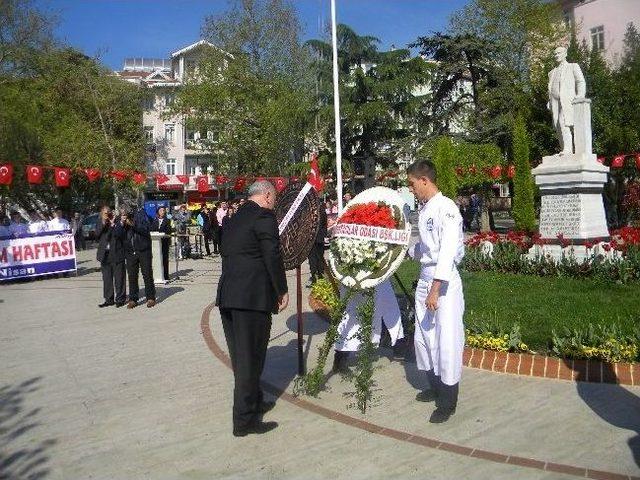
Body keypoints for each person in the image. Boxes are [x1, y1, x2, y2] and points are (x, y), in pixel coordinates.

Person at [216, 180, 289, 437]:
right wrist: (281, 289)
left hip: (229, 297)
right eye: (274, 198)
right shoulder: (264, 217)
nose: (274, 202)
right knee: (250, 359)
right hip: (251, 299)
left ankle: (255, 402)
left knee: (242, 357)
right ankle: (244, 422)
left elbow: (227, 251)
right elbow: (272, 255)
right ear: (267, 196)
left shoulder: (233, 218)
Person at [406, 160, 465, 424]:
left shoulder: (447, 208)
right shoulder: (426, 209)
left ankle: (448, 399)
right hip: (426, 277)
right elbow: (426, 248)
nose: (411, 189)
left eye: (412, 184)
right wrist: (405, 251)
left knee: (447, 338)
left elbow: (447, 251)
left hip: (443, 283)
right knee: (424, 336)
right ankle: (434, 384)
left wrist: (435, 289)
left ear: (425, 180)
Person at [332, 280, 404, 372]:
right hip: (352, 280)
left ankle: (399, 345)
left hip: (377, 278)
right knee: (350, 316)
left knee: (389, 307)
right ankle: (340, 357)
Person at [547, 45, 586, 155]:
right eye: (555, 54)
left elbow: (580, 81)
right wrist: (549, 101)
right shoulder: (551, 72)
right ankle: (564, 149)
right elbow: (550, 88)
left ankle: (568, 149)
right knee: (557, 125)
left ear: (565, 54)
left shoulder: (573, 66)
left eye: (559, 53)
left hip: (568, 100)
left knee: (563, 121)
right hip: (555, 102)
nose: (556, 55)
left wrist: (580, 95)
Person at [122, 206, 156, 308]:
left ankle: (150, 297)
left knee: (147, 274)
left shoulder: (142, 215)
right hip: (130, 251)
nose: (124, 213)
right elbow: (118, 233)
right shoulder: (123, 218)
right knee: (132, 275)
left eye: (126, 211)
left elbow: (146, 230)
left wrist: (133, 225)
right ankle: (133, 299)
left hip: (143, 250)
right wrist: (121, 224)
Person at [95, 206, 127, 308]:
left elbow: (122, 235)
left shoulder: (117, 221)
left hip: (117, 253)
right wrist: (105, 222)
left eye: (109, 213)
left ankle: (120, 299)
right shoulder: (100, 222)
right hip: (105, 254)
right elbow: (97, 234)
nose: (107, 215)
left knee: (119, 277)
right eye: (105, 213)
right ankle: (109, 299)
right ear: (101, 214)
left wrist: (113, 224)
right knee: (107, 278)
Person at [306, 196, 327, 287]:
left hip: (315, 238)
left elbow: (322, 223)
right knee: (316, 258)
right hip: (316, 238)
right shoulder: (320, 209)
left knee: (314, 258)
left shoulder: (314, 211)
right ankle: (318, 276)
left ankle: (317, 277)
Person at [151, 206, 172, 280]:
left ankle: (166, 276)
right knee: (156, 259)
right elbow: (152, 229)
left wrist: (161, 232)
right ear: (158, 212)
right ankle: (157, 275)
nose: (162, 212)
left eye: (163, 210)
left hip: (164, 242)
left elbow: (168, 230)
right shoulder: (154, 220)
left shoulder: (167, 220)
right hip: (156, 243)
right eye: (161, 210)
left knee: (165, 259)